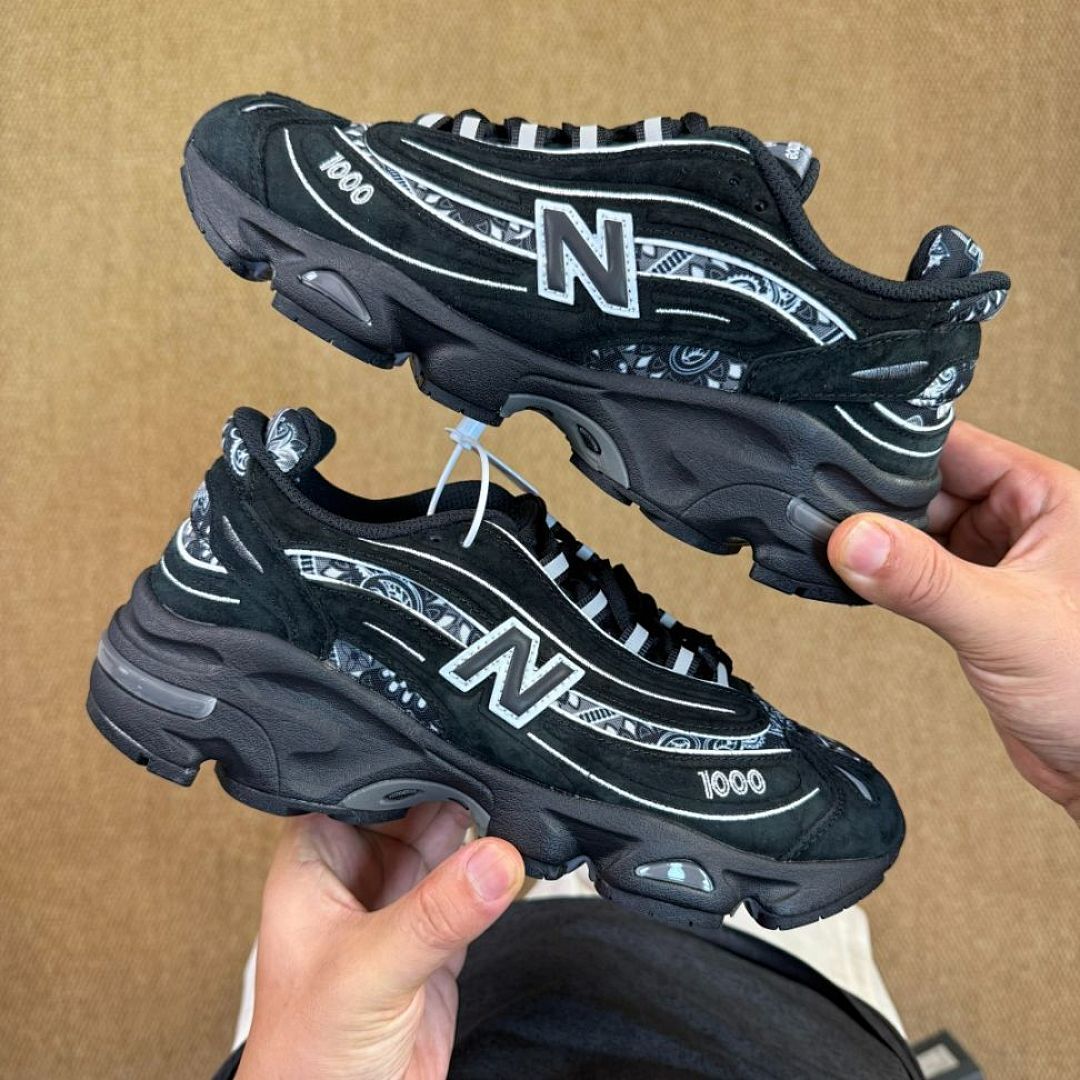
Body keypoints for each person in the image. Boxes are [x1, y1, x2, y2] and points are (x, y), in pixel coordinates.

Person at [214, 422, 1080, 1080]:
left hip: (456, 1011)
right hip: (740, 1017)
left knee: (388, 915)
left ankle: (257, 582)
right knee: (798, 945)